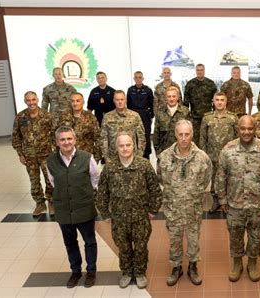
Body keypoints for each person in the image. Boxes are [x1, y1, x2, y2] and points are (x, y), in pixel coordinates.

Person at [215, 115, 260, 283]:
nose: (246, 132)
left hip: (258, 203)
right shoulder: (228, 149)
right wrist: (221, 199)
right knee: (235, 234)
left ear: (255, 129)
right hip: (234, 202)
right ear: (238, 129)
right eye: (243, 128)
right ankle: (237, 264)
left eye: (250, 128)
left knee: (256, 235)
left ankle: (252, 263)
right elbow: (220, 175)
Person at [97, 133, 162, 289]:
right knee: (124, 248)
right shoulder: (110, 168)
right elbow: (102, 193)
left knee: (140, 247)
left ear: (134, 146)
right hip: (119, 219)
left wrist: (153, 210)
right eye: (121, 145)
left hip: (141, 217)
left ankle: (140, 273)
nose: (125, 148)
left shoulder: (144, 165)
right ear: (116, 148)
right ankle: (127, 273)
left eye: (128, 145)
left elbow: (155, 189)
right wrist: (105, 214)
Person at [157, 120, 212, 287]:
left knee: (194, 240)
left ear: (192, 135)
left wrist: (193, 193)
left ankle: (193, 267)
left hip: (193, 209)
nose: (183, 138)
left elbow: (207, 177)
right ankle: (176, 268)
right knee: (174, 240)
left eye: (186, 134)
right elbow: (160, 177)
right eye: (180, 134)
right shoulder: (165, 156)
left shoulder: (202, 157)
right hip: (172, 208)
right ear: (175, 135)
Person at [46, 126, 99, 288]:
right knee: (70, 242)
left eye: (69, 139)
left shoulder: (87, 157)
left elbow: (95, 179)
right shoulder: (50, 161)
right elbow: (53, 182)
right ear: (57, 142)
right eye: (62, 139)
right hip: (64, 210)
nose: (66, 142)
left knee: (89, 241)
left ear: (75, 139)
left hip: (84, 208)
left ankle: (91, 272)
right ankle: (76, 272)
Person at [12, 91, 55, 216]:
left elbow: (54, 134)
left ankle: (51, 202)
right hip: (29, 155)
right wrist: (20, 154)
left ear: (37, 100)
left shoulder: (46, 115)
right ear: (25, 101)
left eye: (33, 100)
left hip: (46, 154)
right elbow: (16, 136)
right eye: (28, 100)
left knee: (49, 179)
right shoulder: (20, 117)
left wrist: (55, 152)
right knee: (34, 181)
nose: (31, 103)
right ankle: (40, 204)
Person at [199, 92, 238, 213]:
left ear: (226, 102)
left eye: (222, 100)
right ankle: (216, 201)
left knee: (230, 179)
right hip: (212, 155)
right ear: (213, 102)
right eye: (217, 100)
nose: (220, 102)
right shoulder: (207, 118)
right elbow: (202, 138)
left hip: (229, 156)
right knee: (215, 180)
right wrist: (204, 155)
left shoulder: (233, 118)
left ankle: (229, 202)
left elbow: (238, 138)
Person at [100, 90, 146, 163]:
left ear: (126, 100)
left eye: (122, 99)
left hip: (132, 157)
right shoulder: (107, 117)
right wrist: (106, 157)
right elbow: (103, 138)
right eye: (117, 100)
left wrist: (139, 155)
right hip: (113, 157)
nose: (120, 102)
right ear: (114, 101)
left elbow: (141, 137)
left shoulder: (134, 116)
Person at [59, 92, 101, 161]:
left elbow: (98, 138)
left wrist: (96, 158)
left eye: (78, 101)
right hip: (67, 157)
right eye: (73, 101)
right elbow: (59, 136)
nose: (75, 103)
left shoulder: (90, 117)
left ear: (83, 102)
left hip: (85, 157)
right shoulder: (64, 117)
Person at [183, 64, 217, 143]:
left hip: (208, 117)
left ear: (204, 71)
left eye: (201, 70)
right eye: (198, 70)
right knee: (195, 139)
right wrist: (186, 117)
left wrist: (215, 114)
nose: (200, 72)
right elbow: (186, 102)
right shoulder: (190, 84)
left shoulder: (210, 84)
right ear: (196, 71)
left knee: (208, 139)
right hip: (194, 117)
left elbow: (215, 100)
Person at [153, 86, 190, 155]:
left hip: (182, 152)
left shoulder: (185, 112)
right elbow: (156, 135)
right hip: (165, 152)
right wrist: (158, 152)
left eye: (174, 96)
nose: (171, 99)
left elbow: (190, 133)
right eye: (169, 96)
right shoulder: (160, 113)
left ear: (178, 97)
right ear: (165, 98)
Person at [127, 71, 154, 159]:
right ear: (134, 79)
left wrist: (151, 116)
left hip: (145, 115)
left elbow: (152, 103)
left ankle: (146, 156)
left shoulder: (148, 90)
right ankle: (134, 156)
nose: (138, 79)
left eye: (140, 77)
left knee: (146, 135)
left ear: (143, 78)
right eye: (136, 77)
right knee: (134, 136)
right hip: (133, 115)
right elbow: (128, 104)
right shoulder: (130, 90)